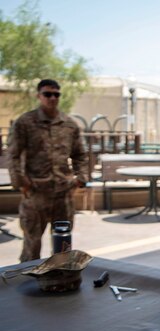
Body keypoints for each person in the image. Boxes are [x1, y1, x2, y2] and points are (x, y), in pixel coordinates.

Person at [7, 79, 88, 262]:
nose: (52, 98)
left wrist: (80, 178)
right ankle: (27, 286)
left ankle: (61, 283)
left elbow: (80, 155)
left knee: (63, 247)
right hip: (36, 194)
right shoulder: (25, 123)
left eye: (56, 94)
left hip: (63, 194)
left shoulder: (69, 124)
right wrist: (22, 183)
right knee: (32, 246)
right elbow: (12, 155)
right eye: (47, 94)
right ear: (39, 96)